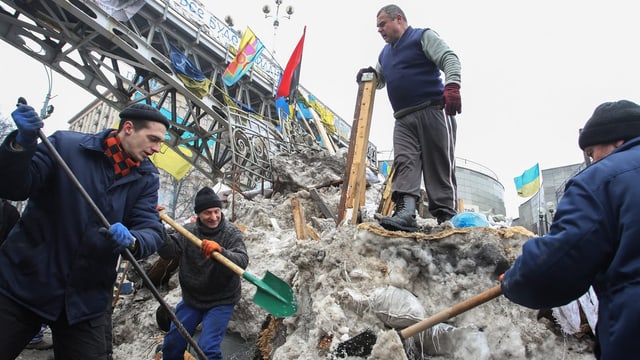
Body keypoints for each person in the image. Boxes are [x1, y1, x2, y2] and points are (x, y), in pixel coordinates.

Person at [0, 102, 170, 359]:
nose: (157, 149)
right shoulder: (66, 147)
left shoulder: (146, 178)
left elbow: (151, 227)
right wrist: (20, 146)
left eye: (160, 142)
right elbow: (13, 187)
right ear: (128, 128)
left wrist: (134, 240)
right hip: (25, 284)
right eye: (153, 139)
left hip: (86, 299)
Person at [501, 100, 640, 359]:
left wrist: (514, 280)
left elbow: (559, 263)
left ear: (618, 140)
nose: (592, 159)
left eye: (591, 151)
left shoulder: (601, 181)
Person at [359, 4, 461, 232]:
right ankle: (406, 212)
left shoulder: (421, 37)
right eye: (377, 27)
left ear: (398, 19)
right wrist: (370, 76)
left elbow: (449, 58)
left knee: (439, 163)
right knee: (405, 162)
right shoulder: (385, 54)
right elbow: (380, 80)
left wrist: (452, 85)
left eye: (382, 24)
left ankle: (446, 215)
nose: (379, 30)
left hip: (433, 110)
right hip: (404, 119)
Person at [158, 186, 248, 360]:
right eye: (208, 213)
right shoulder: (188, 231)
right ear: (199, 214)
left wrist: (221, 251)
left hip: (221, 300)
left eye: (216, 211)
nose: (213, 217)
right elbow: (168, 252)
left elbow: (242, 261)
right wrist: (157, 226)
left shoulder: (230, 233)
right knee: (172, 343)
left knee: (207, 348)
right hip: (192, 299)